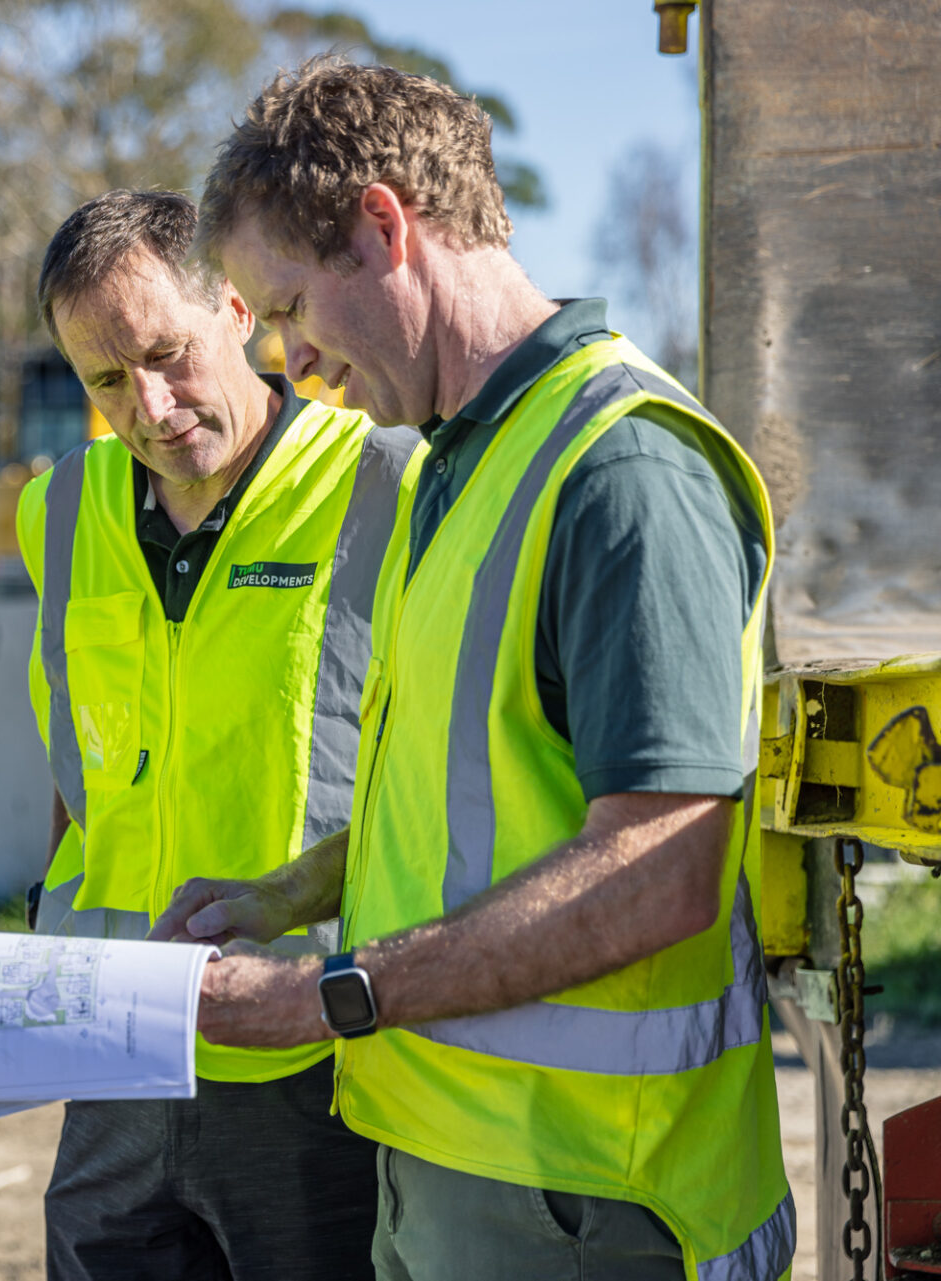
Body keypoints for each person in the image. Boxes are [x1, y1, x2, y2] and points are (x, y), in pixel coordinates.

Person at [153, 58, 792, 1281]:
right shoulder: (452, 464)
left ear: (384, 229)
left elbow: (659, 873)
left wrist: (319, 999)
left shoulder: (623, 473)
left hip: (592, 1202)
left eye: (285, 307)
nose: (283, 360)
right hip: (457, 1166)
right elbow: (475, 804)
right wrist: (291, 897)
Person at [17, 189, 422, 1281]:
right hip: (112, 1048)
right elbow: (78, 768)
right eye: (106, 380)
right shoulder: (56, 511)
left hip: (309, 1048)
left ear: (238, 309)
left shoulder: (386, 481)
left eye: (167, 354)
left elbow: (430, 775)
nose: (147, 407)